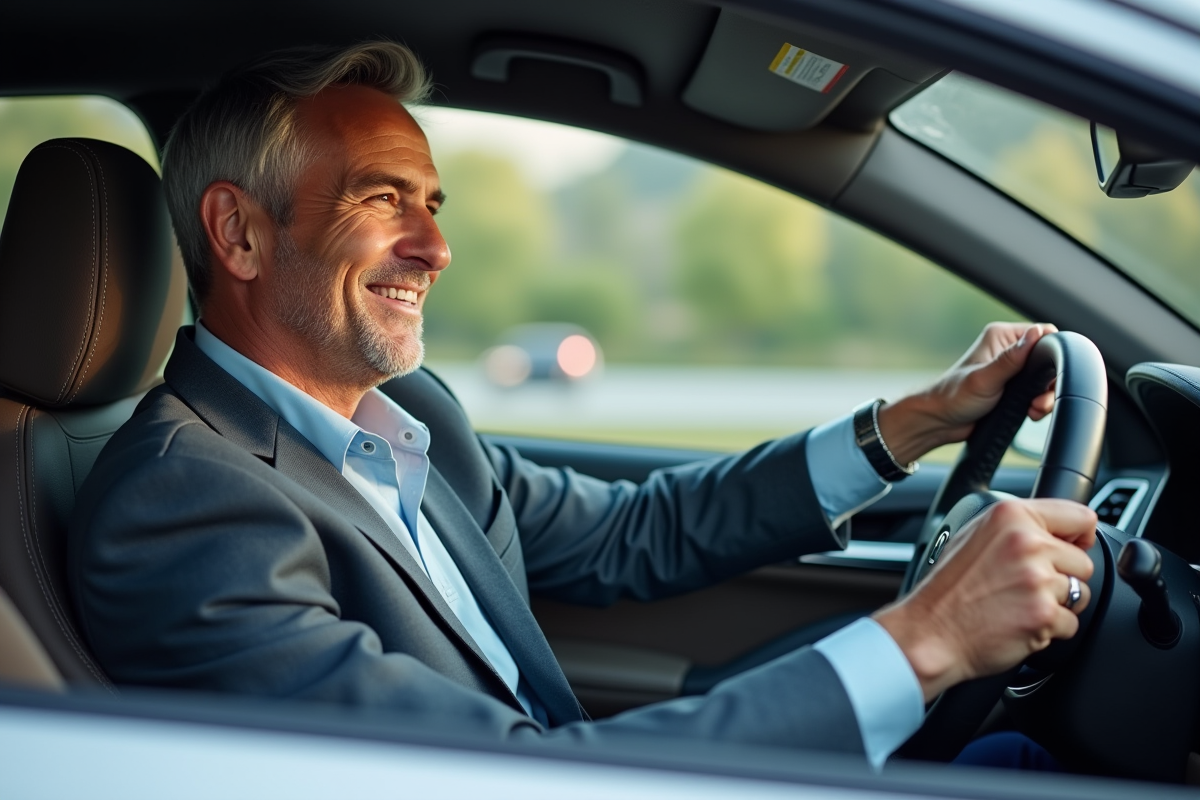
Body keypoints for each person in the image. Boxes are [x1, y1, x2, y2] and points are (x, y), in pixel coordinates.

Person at [67, 42, 1096, 769]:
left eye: (433, 203)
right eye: (383, 198)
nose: (435, 247)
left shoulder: (411, 416)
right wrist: (928, 640)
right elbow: (497, 780)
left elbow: (635, 530)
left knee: (1021, 755)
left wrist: (917, 418)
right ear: (239, 236)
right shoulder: (181, 508)